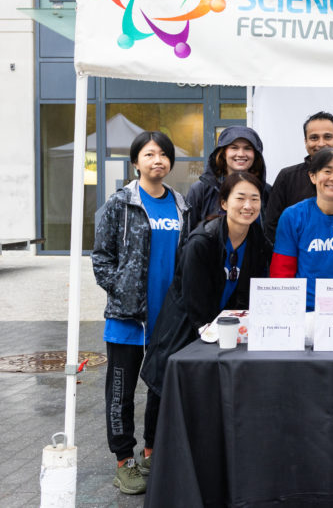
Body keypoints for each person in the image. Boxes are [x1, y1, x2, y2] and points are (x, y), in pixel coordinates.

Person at [92, 131, 192, 495]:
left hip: (168, 319)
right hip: (128, 317)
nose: (158, 161)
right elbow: (100, 257)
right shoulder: (121, 203)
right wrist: (120, 288)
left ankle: (152, 451)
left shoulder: (181, 205)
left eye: (164, 154)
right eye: (150, 154)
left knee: (160, 388)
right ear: (136, 161)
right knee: (121, 392)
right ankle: (124, 461)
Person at [141, 172, 270, 399]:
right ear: (224, 202)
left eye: (255, 198)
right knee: (168, 400)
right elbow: (195, 302)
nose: (248, 205)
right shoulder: (202, 241)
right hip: (185, 331)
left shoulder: (258, 241)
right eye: (240, 198)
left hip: (227, 334)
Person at [270, 147, 333, 311]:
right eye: (327, 171)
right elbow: (281, 272)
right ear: (312, 176)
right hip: (303, 311)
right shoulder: (292, 216)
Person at [263, 111, 333, 246]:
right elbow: (271, 225)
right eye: (314, 138)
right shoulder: (287, 177)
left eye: (327, 137)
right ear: (305, 141)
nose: (321, 144)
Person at [184, 126, 272, 229]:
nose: (241, 154)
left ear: (256, 154)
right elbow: (187, 234)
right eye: (234, 148)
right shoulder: (200, 190)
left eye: (247, 148)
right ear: (223, 153)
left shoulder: (266, 191)